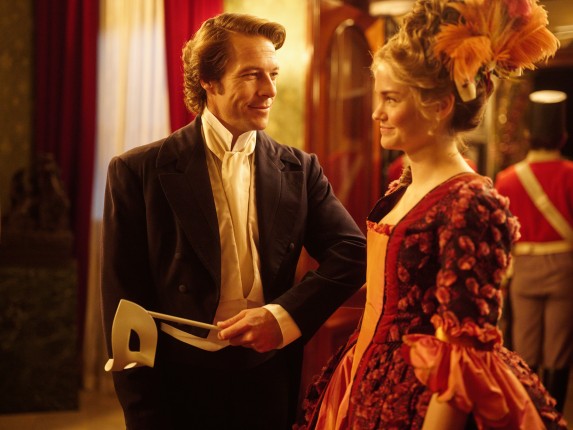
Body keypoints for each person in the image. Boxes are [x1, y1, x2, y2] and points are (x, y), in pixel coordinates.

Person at [297, 0, 566, 428]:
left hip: (423, 398)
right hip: (364, 375)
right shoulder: (402, 187)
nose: (376, 112)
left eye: (390, 98)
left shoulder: (471, 202)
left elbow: (464, 355)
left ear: (439, 105)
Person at [100, 13, 366, 430]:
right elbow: (123, 305)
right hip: (177, 384)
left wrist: (282, 316)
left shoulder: (301, 169)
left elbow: (353, 253)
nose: (270, 90)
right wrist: (141, 412)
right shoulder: (137, 171)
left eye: (273, 74)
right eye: (251, 75)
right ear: (209, 80)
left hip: (268, 379)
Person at [495, 89, 573, 413]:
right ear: (562, 135)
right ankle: (554, 416)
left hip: (525, 269)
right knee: (559, 349)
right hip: (565, 269)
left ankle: (529, 414)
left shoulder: (506, 179)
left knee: (525, 348)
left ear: (528, 134)